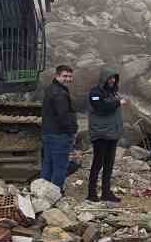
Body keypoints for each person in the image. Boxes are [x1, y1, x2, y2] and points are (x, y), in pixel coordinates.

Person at [86, 68, 125, 204]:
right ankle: (91, 192)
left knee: (109, 164)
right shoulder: (95, 93)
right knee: (98, 163)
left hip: (113, 134)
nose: (112, 80)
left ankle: (106, 192)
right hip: (100, 134)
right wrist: (118, 102)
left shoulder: (113, 93)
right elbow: (100, 107)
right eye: (110, 78)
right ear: (104, 78)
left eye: (114, 78)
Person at [40, 64, 77, 190]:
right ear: (57, 76)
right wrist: (72, 130)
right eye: (65, 76)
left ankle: (42, 192)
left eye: (70, 76)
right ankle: (55, 193)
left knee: (47, 164)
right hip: (59, 135)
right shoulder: (60, 93)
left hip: (48, 133)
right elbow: (64, 116)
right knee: (60, 166)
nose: (68, 79)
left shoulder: (51, 88)